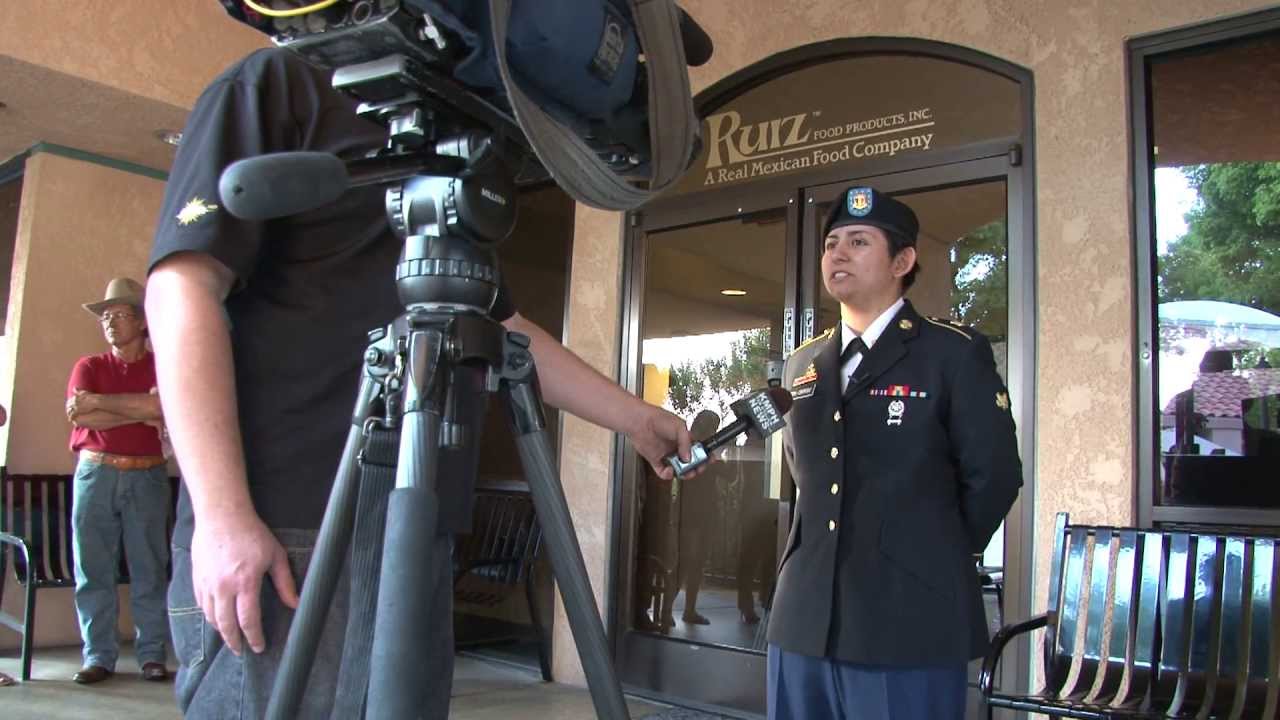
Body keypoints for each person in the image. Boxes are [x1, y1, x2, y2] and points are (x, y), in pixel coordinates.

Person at [145, 47, 696, 718]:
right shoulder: (278, 82)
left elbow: (503, 327)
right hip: (287, 530)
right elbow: (180, 290)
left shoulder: (453, 125)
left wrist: (636, 418)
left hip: (417, 527)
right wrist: (221, 516)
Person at [766, 186, 1022, 719]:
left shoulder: (951, 353)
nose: (837, 253)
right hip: (803, 617)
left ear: (902, 262)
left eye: (858, 241)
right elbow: (804, 472)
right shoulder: (802, 364)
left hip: (907, 616)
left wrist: (930, 553)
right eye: (831, 243)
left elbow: (994, 474)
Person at [64, 277, 171, 685]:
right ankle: (98, 657)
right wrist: (141, 410)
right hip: (96, 472)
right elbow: (80, 415)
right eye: (105, 316)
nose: (110, 322)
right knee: (93, 568)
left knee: (150, 568)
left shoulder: (162, 364)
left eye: (120, 314)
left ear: (142, 322)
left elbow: (163, 407)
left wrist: (102, 404)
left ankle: (152, 656)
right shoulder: (89, 366)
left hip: (148, 474)